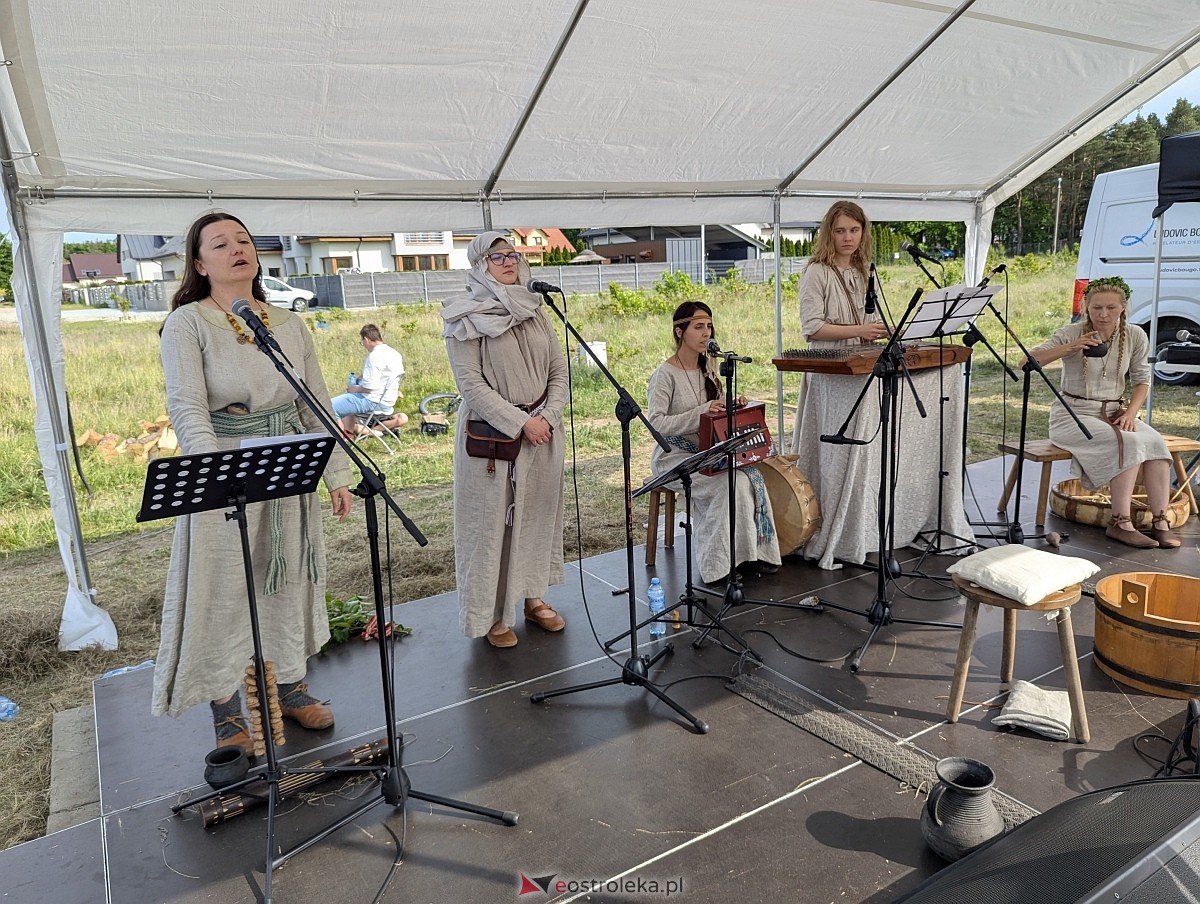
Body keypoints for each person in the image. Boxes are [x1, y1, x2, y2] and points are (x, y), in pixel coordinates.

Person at [155, 211, 354, 754]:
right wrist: (214, 476)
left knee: (283, 583)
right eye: (220, 243)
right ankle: (227, 712)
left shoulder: (290, 324)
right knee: (224, 592)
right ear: (199, 263)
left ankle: (289, 686)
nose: (236, 248)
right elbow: (188, 406)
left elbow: (314, 402)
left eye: (243, 239)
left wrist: (334, 473)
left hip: (287, 466)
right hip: (223, 472)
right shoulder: (187, 323)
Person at [792, 200, 974, 568]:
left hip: (861, 367)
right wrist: (862, 330)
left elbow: (868, 322)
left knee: (872, 450)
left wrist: (886, 332)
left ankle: (871, 524)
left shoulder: (865, 272)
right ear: (829, 232)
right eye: (840, 230)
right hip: (831, 372)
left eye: (854, 231)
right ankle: (839, 527)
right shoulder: (816, 272)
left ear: (864, 233)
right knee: (843, 452)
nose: (847, 238)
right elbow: (813, 329)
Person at [440, 232, 569, 648]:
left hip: (543, 431)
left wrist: (546, 416)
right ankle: (494, 616)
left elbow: (559, 371)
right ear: (480, 265)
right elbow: (470, 385)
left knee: (536, 518)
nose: (508, 261)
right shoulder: (463, 316)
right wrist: (520, 421)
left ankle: (534, 597)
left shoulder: (535, 308)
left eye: (512, 254)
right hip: (493, 439)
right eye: (497, 256)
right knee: (492, 526)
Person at [1024, 279, 1180, 549]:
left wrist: (1131, 413)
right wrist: (1073, 347)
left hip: (1114, 411)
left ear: (1123, 307)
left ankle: (1160, 522)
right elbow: (1026, 361)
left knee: (1155, 444)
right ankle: (1120, 522)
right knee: (1128, 443)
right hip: (1071, 415)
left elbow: (1143, 380)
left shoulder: (1134, 335)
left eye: (1110, 307)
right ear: (1086, 306)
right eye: (1096, 307)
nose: (1103, 314)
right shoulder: (1071, 332)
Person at [646, 301, 782, 583]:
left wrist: (734, 406)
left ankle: (750, 555)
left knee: (748, 477)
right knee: (726, 484)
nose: (706, 332)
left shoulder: (709, 368)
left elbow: (714, 419)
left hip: (707, 451)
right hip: (673, 456)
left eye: (708, 326)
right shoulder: (664, 375)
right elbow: (656, 424)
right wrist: (702, 413)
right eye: (698, 326)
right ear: (679, 331)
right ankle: (718, 566)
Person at [331, 323, 408, 437]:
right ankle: (351, 432)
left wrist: (353, 388)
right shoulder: (394, 353)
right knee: (347, 399)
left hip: (372, 401)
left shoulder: (374, 356)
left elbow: (369, 387)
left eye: (362, 342)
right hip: (387, 401)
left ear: (366, 339)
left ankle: (342, 440)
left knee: (329, 407)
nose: (364, 345)